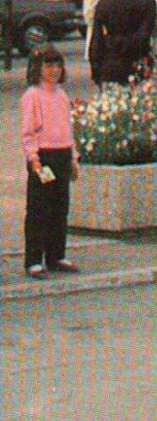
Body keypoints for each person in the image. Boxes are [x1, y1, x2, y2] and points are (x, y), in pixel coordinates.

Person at [21, 45, 79, 278]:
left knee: (59, 207)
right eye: (49, 65)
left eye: (58, 65)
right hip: (43, 157)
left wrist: (73, 157)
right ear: (38, 68)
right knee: (39, 209)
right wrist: (33, 158)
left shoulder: (62, 95)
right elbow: (28, 132)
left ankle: (56, 255)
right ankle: (33, 259)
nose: (54, 70)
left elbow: (68, 129)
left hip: (62, 154)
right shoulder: (32, 96)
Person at [89, 0, 157, 86]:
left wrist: (96, 69)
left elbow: (96, 39)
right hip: (135, 64)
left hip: (109, 64)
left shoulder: (105, 0)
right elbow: (144, 36)